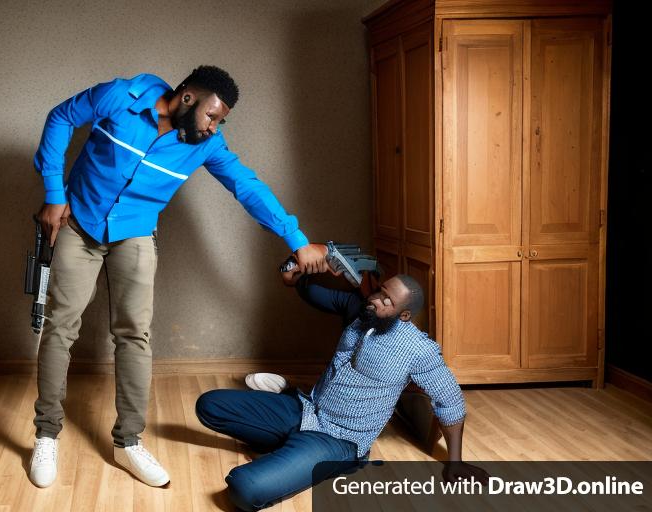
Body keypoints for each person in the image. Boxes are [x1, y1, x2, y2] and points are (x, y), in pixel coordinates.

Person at [28, 66, 328, 488]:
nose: (213, 127)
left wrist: (296, 239)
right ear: (187, 98)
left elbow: (248, 187)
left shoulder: (207, 146)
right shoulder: (120, 96)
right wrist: (54, 194)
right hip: (80, 226)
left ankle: (127, 442)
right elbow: (61, 117)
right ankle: (47, 434)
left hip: (134, 232)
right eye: (212, 115)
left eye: (220, 121)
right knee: (61, 327)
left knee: (134, 334)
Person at [195, 270, 488, 511]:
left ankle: (311, 457)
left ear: (404, 316)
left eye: (388, 300)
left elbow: (450, 401)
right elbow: (314, 294)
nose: (377, 299)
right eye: (380, 290)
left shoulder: (419, 350)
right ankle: (286, 434)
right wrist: (299, 273)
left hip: (339, 440)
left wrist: (455, 463)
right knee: (209, 405)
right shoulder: (361, 312)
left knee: (245, 490)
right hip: (307, 409)